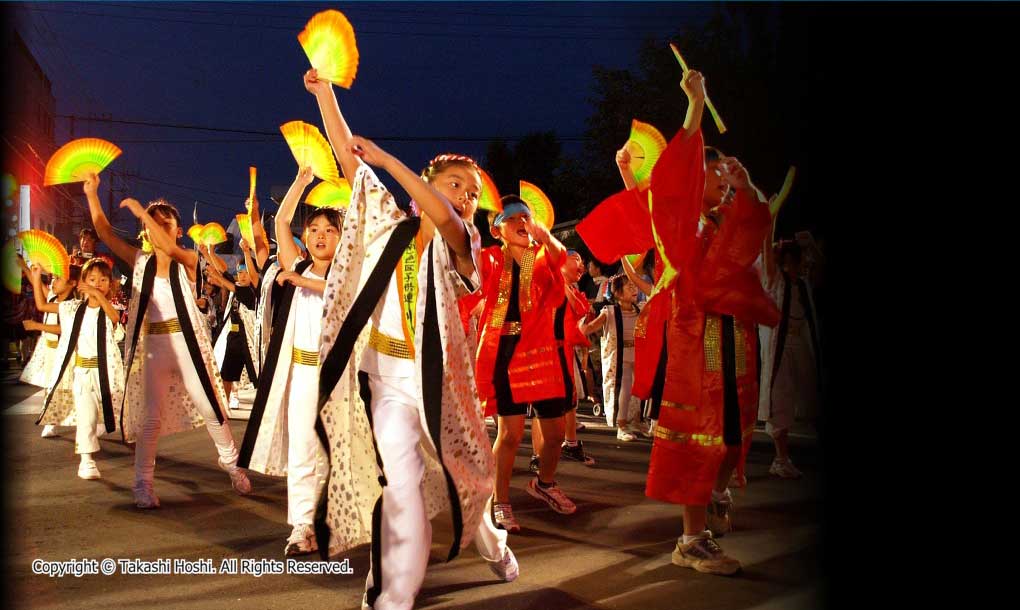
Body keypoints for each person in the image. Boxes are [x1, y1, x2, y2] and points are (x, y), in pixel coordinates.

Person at [307, 68, 515, 610]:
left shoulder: (459, 240)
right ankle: (394, 597)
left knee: (466, 480)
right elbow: (351, 161)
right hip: (389, 384)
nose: (466, 199)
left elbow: (441, 216)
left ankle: (492, 544)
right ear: (429, 182)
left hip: (441, 389)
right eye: (455, 185)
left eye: (472, 194)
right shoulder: (384, 225)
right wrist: (326, 95)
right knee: (401, 487)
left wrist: (392, 162)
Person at [83, 171, 252, 509]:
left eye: (165, 221)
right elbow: (103, 231)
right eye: (153, 221)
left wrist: (142, 212)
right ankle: (142, 484)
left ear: (176, 230)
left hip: (186, 343)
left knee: (210, 406)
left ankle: (231, 463)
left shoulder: (188, 260)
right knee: (151, 418)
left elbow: (170, 248)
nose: (157, 226)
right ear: (146, 231)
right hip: (153, 348)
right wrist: (91, 193)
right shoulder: (140, 261)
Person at [238, 165, 340, 557]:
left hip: (336, 379)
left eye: (329, 230)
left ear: (341, 238)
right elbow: (281, 220)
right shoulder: (296, 264)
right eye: (313, 229)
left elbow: (334, 289)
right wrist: (300, 181)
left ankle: (323, 520)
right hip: (300, 372)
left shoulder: (348, 274)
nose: (319, 235)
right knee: (302, 450)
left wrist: (300, 282)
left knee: (329, 453)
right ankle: (300, 527)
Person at [476, 194, 576, 533]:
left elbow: (561, 261)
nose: (521, 221)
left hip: (543, 351)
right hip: (506, 349)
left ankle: (544, 484)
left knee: (556, 433)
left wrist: (546, 236)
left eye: (526, 216)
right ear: (496, 230)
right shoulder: (489, 259)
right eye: (512, 217)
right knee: (510, 435)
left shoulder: (542, 256)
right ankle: (500, 499)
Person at [31, 259, 124, 480]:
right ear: (81, 283)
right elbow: (43, 306)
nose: (97, 284)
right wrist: (35, 279)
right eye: (92, 279)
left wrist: (98, 295)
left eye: (103, 280)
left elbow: (114, 319)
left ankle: (106, 428)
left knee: (113, 412)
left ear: (109, 285)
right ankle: (87, 460)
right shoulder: (72, 309)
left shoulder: (111, 309)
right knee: (86, 415)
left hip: (107, 373)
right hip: (82, 372)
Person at [758, 237, 822, 479]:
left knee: (809, 396)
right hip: (780, 346)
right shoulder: (777, 281)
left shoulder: (802, 285)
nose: (805, 264)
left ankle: (787, 458)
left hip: (800, 343)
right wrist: (768, 224)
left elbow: (820, 269)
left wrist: (812, 245)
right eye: (801, 261)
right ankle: (780, 458)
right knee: (780, 398)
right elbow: (767, 259)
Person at [530, 249, 596, 469]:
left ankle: (569, 444)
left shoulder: (569, 288)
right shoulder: (547, 282)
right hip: (544, 354)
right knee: (542, 407)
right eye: (576, 259)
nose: (582, 266)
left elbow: (578, 312)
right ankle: (538, 456)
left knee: (569, 401)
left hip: (563, 352)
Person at [582, 274, 648, 441]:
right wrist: (578, 326)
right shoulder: (609, 312)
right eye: (628, 286)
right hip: (619, 359)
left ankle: (635, 421)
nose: (634, 289)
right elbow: (590, 328)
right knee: (624, 389)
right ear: (617, 293)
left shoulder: (641, 309)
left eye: (634, 286)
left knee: (637, 392)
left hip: (638, 357)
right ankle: (621, 426)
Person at [21, 263, 81, 438]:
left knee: (66, 388)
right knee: (51, 387)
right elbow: (38, 286)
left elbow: (62, 329)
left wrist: (36, 325)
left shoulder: (72, 304)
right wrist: (28, 269)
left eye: (59, 278)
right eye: (54, 278)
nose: (54, 282)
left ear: (72, 283)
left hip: (63, 352)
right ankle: (52, 421)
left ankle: (57, 421)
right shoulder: (54, 298)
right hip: (49, 350)